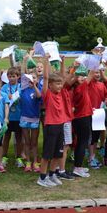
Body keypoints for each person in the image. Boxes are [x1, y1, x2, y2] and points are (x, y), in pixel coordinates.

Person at [37, 54, 70, 187]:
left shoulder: (60, 92)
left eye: (61, 84)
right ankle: (42, 178)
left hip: (60, 125)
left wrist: (63, 62)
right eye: (57, 84)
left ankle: (52, 175)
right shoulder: (48, 93)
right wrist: (46, 62)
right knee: (47, 154)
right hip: (51, 126)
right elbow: (45, 78)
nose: (60, 86)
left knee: (58, 153)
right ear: (50, 85)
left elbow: (62, 76)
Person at [20, 54, 42, 173]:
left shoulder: (37, 89)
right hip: (24, 118)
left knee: (34, 142)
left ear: (37, 79)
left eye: (34, 78)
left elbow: (39, 96)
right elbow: (23, 74)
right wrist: (24, 61)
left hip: (35, 119)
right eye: (29, 78)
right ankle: (28, 161)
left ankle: (35, 162)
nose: (31, 80)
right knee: (27, 142)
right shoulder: (23, 89)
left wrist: (35, 86)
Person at [1, 67, 23, 169]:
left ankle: (18, 157)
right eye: (9, 76)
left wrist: (16, 97)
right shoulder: (5, 87)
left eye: (14, 76)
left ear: (18, 77)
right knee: (6, 137)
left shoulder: (21, 87)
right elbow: (1, 97)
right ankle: (4, 157)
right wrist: (7, 97)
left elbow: (22, 97)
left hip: (18, 116)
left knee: (19, 138)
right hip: (8, 117)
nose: (11, 78)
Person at [88, 69, 107, 169]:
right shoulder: (88, 84)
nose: (97, 74)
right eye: (95, 72)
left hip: (98, 114)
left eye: (99, 72)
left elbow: (105, 97)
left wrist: (104, 104)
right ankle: (90, 157)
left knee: (95, 137)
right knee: (90, 137)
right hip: (89, 113)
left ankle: (92, 155)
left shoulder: (101, 85)